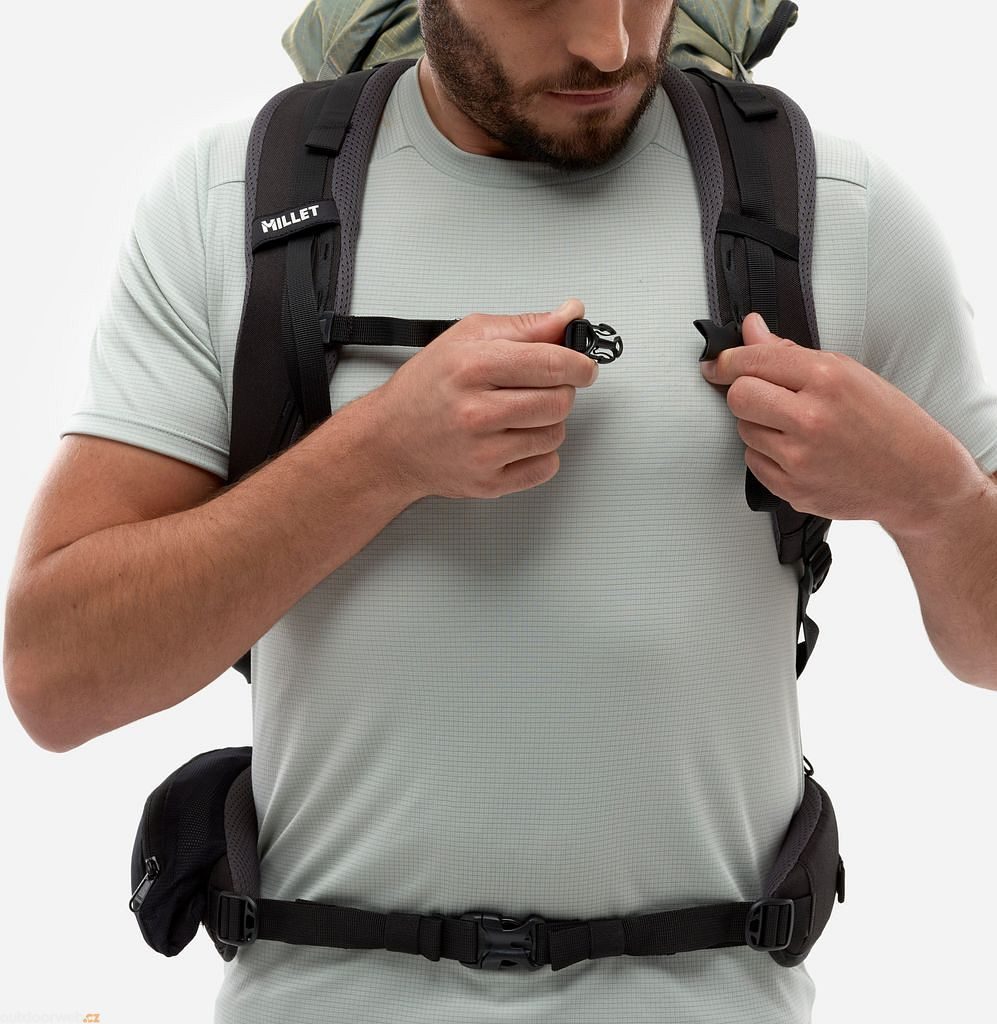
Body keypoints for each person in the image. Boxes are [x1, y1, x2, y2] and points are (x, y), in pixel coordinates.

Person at [5, 1, 997, 1021]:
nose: (609, 45)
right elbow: (53, 677)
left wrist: (935, 498)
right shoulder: (233, 204)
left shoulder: (831, 207)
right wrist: (376, 456)